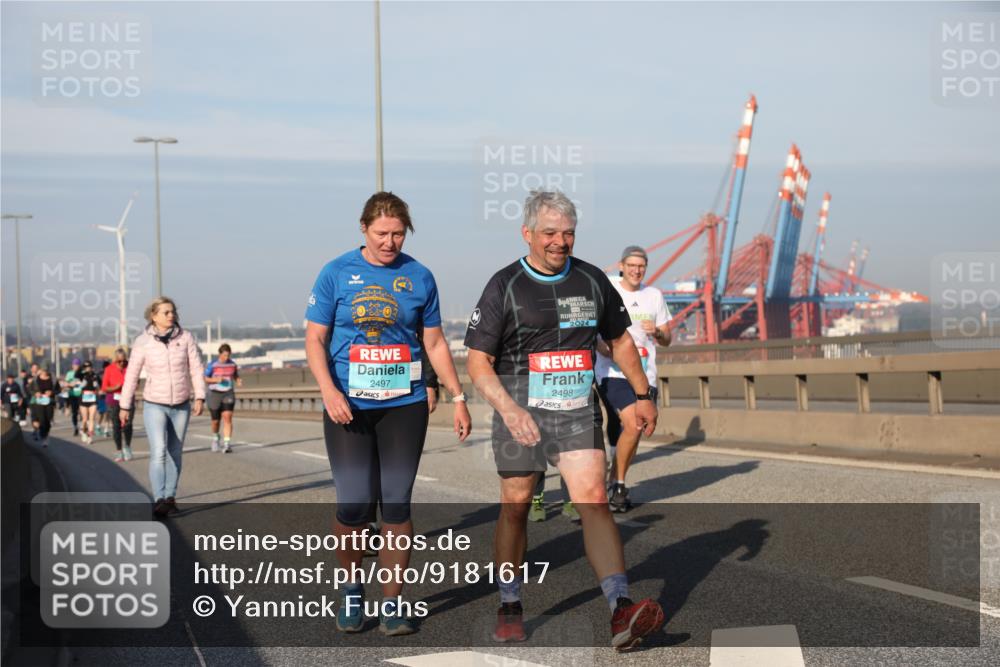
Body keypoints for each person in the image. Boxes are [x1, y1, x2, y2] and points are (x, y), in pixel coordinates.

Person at [465, 190, 665, 651]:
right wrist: (510, 410)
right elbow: (478, 361)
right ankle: (511, 603)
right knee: (516, 507)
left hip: (576, 410)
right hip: (519, 411)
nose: (560, 242)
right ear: (528, 234)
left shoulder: (593, 280)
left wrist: (642, 394)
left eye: (568, 233)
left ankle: (620, 609)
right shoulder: (505, 285)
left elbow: (619, 342)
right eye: (550, 233)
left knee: (593, 498)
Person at [304, 191, 471, 636]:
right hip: (349, 405)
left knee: (396, 503)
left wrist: (456, 395)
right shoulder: (336, 273)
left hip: (405, 403)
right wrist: (328, 390)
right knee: (355, 503)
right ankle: (352, 588)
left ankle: (393, 601)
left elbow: (433, 342)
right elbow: (315, 339)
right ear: (364, 229)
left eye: (398, 233)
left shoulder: (419, 276)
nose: (390, 242)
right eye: (382, 233)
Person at [596, 246, 672, 513]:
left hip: (645, 373)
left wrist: (658, 333)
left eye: (641, 266)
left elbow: (667, 338)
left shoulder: (654, 295)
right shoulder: (607, 290)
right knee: (632, 421)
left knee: (636, 428)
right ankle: (617, 485)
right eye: (632, 265)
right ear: (621, 265)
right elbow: (593, 330)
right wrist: (604, 349)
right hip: (612, 372)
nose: (637, 270)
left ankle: (615, 477)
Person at [119, 297, 206, 519]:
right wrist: (125, 405)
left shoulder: (185, 338)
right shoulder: (143, 342)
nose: (171, 315)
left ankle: (170, 496)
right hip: (154, 404)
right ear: (153, 316)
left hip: (181, 404)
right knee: (158, 451)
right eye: (166, 312)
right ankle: (159, 499)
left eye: (173, 311)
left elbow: (196, 368)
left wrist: (200, 396)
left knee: (175, 451)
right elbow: (132, 375)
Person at [205, 343, 242, 453]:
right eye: (224, 355)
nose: (226, 358)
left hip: (228, 393)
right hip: (214, 394)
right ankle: (216, 438)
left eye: (228, 355)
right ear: (219, 354)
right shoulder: (213, 365)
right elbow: (205, 378)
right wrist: (216, 380)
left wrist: (238, 380)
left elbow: (235, 375)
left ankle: (227, 444)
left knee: (227, 416)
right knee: (215, 421)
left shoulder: (232, 364)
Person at [101, 348, 134, 462]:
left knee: (128, 424)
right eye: (119, 361)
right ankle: (119, 450)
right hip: (114, 399)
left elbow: (136, 381)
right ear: (115, 360)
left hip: (128, 398)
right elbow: (104, 387)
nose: (122, 363)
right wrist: (115, 387)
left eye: (124, 361)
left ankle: (127, 447)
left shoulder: (130, 367)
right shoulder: (109, 369)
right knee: (116, 426)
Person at [30, 367, 59, 448]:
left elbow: (58, 390)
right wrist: (36, 393)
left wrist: (51, 392)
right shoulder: (36, 379)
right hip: (39, 403)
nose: (44, 372)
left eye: (46, 370)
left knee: (48, 419)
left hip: (50, 402)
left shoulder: (53, 379)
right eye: (43, 370)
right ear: (41, 370)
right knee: (42, 420)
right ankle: (44, 437)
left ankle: (45, 433)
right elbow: (30, 389)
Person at [76, 361, 101, 444]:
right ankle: (83, 431)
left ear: (91, 367)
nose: (88, 368)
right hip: (83, 398)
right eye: (86, 366)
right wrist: (81, 367)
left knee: (92, 418)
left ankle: (90, 436)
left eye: (89, 366)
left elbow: (101, 384)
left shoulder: (95, 375)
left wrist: (99, 390)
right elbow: (76, 375)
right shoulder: (82, 375)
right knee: (85, 419)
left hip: (93, 398)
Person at [64, 359, 83, 436]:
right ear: (72, 366)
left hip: (81, 394)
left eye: (77, 365)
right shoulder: (69, 373)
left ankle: (82, 426)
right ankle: (75, 427)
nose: (76, 366)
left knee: (82, 412)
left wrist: (80, 383)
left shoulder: (82, 373)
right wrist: (71, 384)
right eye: (75, 365)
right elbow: (65, 384)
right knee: (74, 412)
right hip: (72, 395)